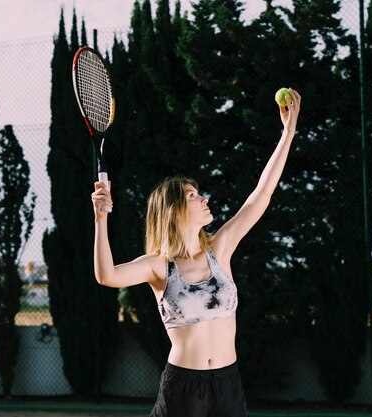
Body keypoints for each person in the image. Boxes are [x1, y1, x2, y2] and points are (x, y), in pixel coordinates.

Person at [91, 88, 301, 417]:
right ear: (174, 210)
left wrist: (287, 134)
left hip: (228, 385)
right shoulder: (160, 265)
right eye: (193, 196)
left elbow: (261, 194)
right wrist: (100, 219)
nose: (204, 199)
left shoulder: (220, 248)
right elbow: (107, 275)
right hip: (182, 389)